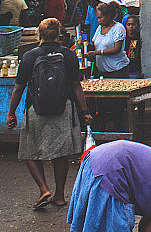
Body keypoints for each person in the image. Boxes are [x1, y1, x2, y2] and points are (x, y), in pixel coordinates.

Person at [6, 18, 92, 209]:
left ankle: (44, 188)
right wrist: (84, 111)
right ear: (60, 34)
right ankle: (60, 195)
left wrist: (11, 113)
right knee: (60, 153)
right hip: (63, 109)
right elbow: (77, 86)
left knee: (30, 151)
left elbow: (18, 88)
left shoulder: (29, 56)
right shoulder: (69, 56)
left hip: (36, 110)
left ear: (39, 34)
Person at [86, 2, 128, 79]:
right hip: (103, 71)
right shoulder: (99, 28)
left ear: (108, 16)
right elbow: (94, 44)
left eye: (100, 18)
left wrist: (97, 53)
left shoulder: (118, 28)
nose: (98, 20)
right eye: (97, 18)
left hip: (117, 70)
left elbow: (117, 49)